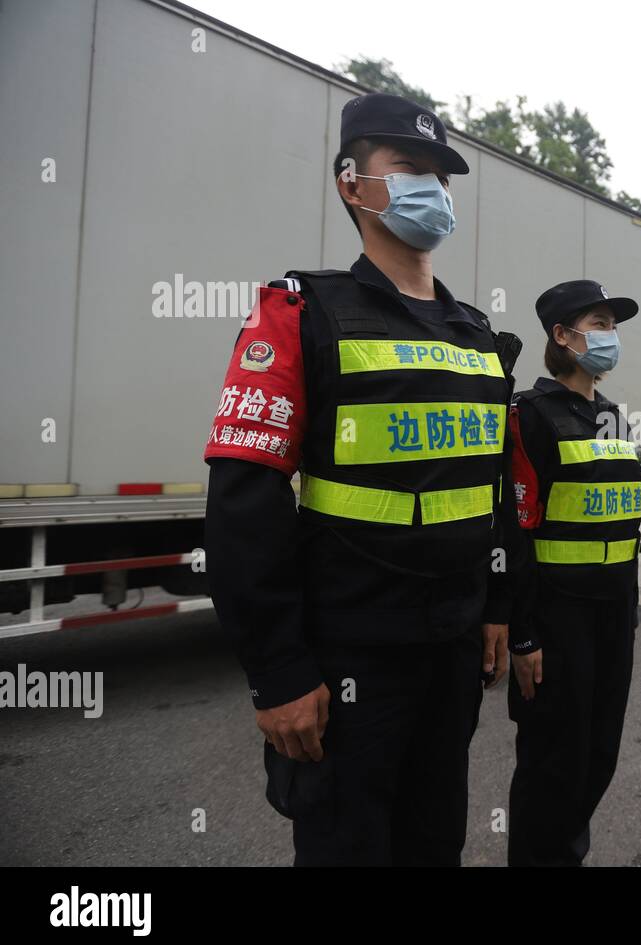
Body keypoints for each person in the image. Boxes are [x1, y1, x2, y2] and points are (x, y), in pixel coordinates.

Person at [203, 92, 521, 865]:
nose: (433, 190)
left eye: (442, 177)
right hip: (350, 660)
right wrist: (278, 672)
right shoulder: (299, 311)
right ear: (352, 184)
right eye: (409, 169)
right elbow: (244, 503)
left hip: (451, 656)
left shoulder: (476, 335)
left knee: (434, 842)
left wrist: (498, 606)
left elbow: (494, 493)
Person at [505, 279, 641, 866]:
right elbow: (513, 534)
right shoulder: (529, 416)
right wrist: (523, 633)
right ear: (563, 336)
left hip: (613, 618)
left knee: (598, 753)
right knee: (553, 761)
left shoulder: (612, 417)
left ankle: (567, 856)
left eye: (613, 325)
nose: (610, 336)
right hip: (555, 622)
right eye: (599, 323)